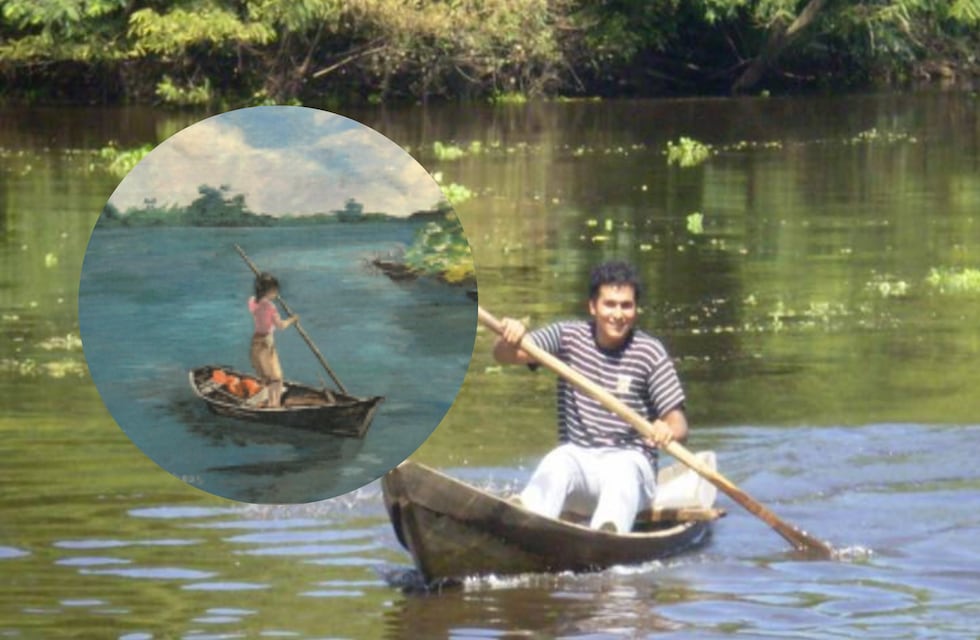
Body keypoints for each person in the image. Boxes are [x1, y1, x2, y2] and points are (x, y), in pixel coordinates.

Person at [493, 261, 688, 534]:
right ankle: (524, 522)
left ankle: (607, 535)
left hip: (631, 466)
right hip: (580, 466)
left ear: (635, 309)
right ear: (593, 307)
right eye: (610, 304)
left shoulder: (650, 352)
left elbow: (678, 423)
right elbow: (505, 356)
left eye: (626, 305)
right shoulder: (566, 337)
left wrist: (666, 431)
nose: (618, 314)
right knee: (560, 460)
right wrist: (510, 338)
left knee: (624, 469)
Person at [249, 272, 298, 408]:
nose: (276, 294)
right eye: (275, 291)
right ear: (269, 290)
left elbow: (256, 306)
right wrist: (293, 319)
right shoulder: (270, 306)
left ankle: (272, 403)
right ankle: (274, 405)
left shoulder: (253, 302)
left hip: (256, 342)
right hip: (266, 342)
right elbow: (281, 326)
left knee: (268, 378)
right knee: (276, 379)